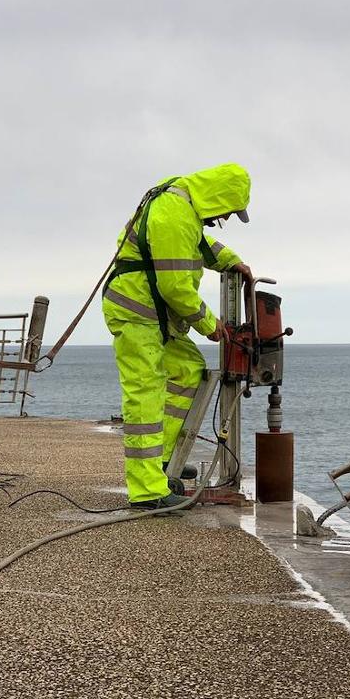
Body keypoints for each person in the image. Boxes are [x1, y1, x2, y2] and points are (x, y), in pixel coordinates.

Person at [101, 163, 253, 509]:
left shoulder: (183, 208)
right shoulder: (173, 212)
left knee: (187, 369)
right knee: (145, 390)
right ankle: (147, 489)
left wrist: (232, 261)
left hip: (154, 314)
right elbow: (174, 286)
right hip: (137, 311)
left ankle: (162, 462)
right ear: (219, 197)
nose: (224, 219)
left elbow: (196, 244)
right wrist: (209, 324)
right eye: (227, 211)